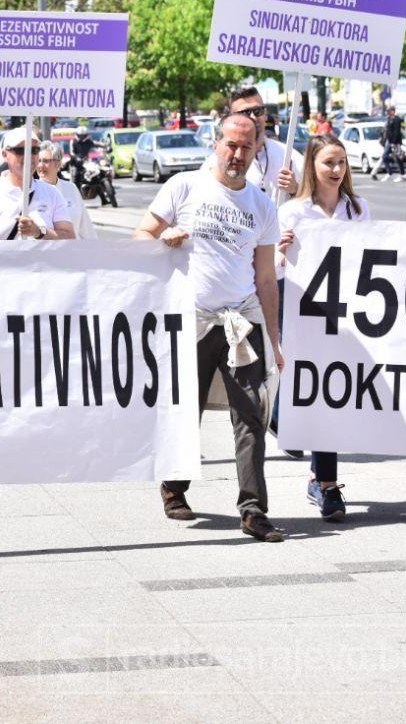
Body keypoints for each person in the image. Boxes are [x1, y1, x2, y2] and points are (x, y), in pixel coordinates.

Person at [133, 114, 286, 542]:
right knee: (187, 409)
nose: (237, 155)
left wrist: (273, 341)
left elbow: (267, 279)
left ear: (259, 149)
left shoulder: (262, 204)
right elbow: (141, 235)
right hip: (192, 321)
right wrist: (162, 242)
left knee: (251, 414)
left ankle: (253, 510)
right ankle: (174, 487)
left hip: (241, 322)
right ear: (215, 144)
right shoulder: (184, 186)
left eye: (246, 147)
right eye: (230, 145)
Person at [277, 135, 371, 520]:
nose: (337, 170)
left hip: (350, 315)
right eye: (329, 162)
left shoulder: (358, 208)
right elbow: (273, 272)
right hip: (305, 315)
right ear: (311, 167)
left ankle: (320, 476)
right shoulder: (294, 212)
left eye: (342, 163)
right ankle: (328, 484)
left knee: (336, 393)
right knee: (318, 390)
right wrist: (279, 251)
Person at [0, 126, 75, 241]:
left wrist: (39, 232)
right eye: (21, 151)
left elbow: (69, 237)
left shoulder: (52, 193)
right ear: (5, 154)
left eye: (34, 150)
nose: (29, 156)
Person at [215, 87, 302, 199]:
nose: (253, 117)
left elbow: (312, 202)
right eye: (245, 113)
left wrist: (294, 189)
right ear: (231, 118)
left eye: (258, 111)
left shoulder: (289, 156)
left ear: (265, 115)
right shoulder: (218, 160)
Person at [35, 140, 92, 239]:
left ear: (58, 163)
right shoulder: (31, 191)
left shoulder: (71, 189)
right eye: (38, 161)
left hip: (74, 251)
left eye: (45, 161)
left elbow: (85, 227)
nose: (40, 165)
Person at [375, 106, 405, 182]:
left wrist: (394, 142)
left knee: (398, 158)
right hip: (388, 141)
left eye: (389, 111)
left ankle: (402, 174)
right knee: (385, 156)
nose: (388, 112)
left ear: (393, 111)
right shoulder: (389, 119)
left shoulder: (397, 119)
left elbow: (397, 132)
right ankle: (389, 172)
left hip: (395, 142)